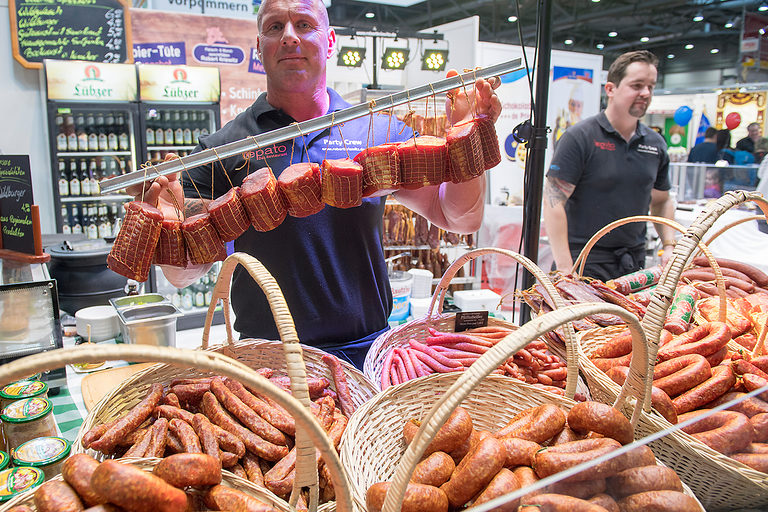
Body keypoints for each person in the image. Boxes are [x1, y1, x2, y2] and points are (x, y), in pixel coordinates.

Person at [134, 0, 502, 369]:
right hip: (267, 361)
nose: (289, 36)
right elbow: (182, 274)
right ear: (259, 45)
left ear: (329, 41)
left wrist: (468, 134)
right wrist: (165, 217)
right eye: (275, 27)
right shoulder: (222, 149)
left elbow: (458, 218)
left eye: (304, 24)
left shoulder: (378, 133)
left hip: (365, 351)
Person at [542, 50, 675, 282]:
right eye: (637, 85)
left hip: (633, 266)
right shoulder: (580, 137)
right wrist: (565, 268)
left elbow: (662, 201)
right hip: (582, 264)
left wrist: (670, 246)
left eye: (650, 86)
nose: (645, 93)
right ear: (610, 89)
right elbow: (553, 201)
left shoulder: (655, 144)